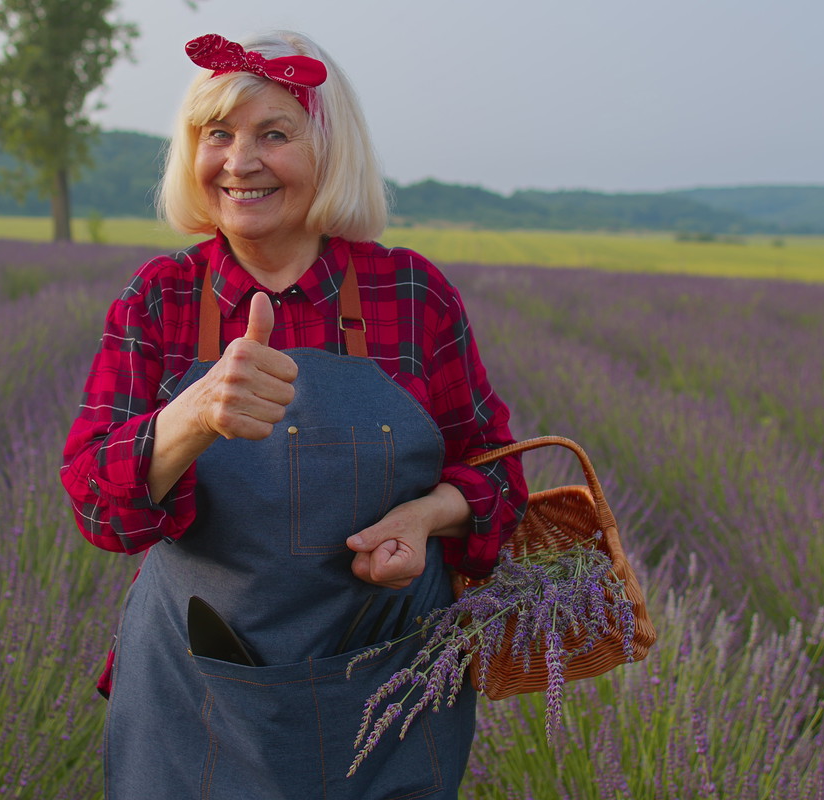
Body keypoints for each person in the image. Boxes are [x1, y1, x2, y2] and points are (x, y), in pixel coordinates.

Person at [61, 30, 527, 799]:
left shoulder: (411, 294)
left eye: (274, 135)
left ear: (331, 152)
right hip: (197, 690)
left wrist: (425, 518)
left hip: (388, 685)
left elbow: (498, 479)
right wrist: (191, 416)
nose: (239, 162)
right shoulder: (161, 299)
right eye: (218, 134)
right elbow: (96, 508)